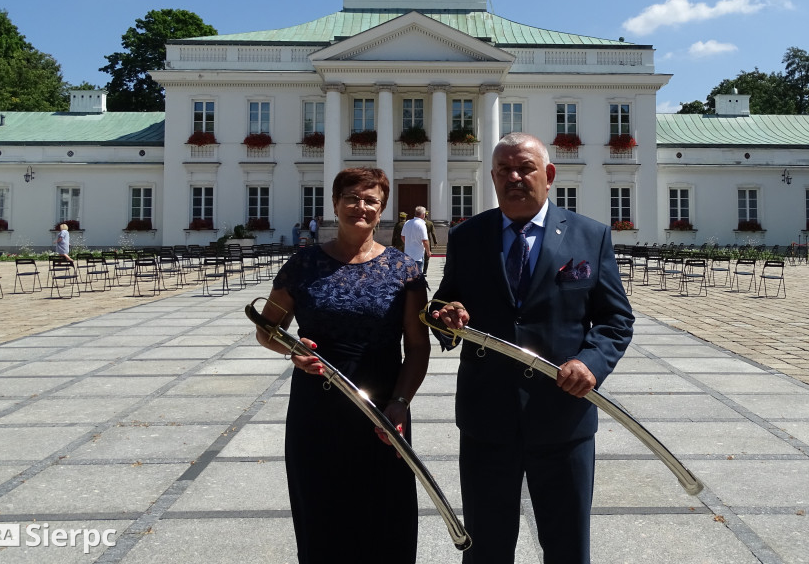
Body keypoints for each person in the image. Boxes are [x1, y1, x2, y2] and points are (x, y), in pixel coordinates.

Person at [432, 132, 634, 564]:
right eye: (504, 170)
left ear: (549, 175)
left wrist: (591, 362)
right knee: (485, 545)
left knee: (567, 545)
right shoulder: (468, 237)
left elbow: (616, 319)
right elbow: (442, 304)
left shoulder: (589, 236)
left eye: (525, 168)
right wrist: (445, 317)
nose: (515, 177)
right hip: (487, 418)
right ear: (492, 177)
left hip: (563, 416)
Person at [255, 168, 429, 564]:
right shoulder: (303, 266)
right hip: (317, 408)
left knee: (387, 515)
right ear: (335, 204)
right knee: (322, 515)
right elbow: (267, 330)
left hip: (384, 407)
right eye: (351, 197)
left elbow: (417, 348)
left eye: (371, 200)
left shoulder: (404, 270)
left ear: (382, 210)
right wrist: (291, 351)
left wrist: (401, 401)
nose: (360, 207)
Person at [402, 206, 430, 272]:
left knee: (409, 276)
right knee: (417, 277)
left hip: (408, 254)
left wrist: (408, 244)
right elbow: (425, 240)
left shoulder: (407, 222)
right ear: (423, 215)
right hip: (418, 256)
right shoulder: (422, 224)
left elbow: (402, 236)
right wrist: (428, 251)